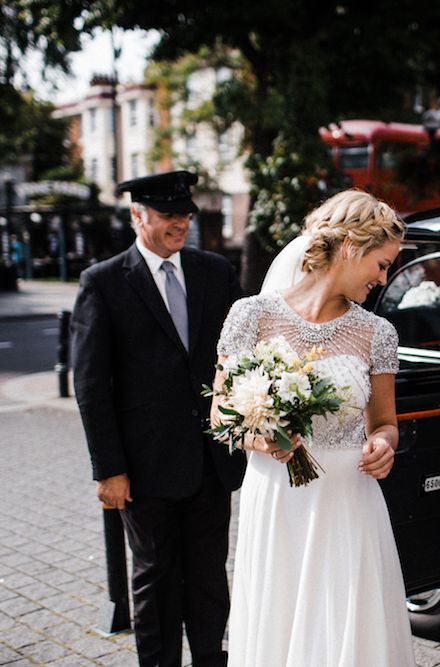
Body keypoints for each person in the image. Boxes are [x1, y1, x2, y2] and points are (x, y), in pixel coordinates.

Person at [214, 189, 416, 666]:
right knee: (279, 622)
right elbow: (221, 414)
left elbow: (385, 424)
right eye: (382, 264)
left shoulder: (377, 333)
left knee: (346, 626)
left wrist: (384, 444)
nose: (383, 279)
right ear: (350, 247)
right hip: (277, 498)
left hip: (348, 502)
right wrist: (259, 436)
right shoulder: (251, 316)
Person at [71, 170, 245, 667]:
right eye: (169, 215)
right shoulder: (102, 283)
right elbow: (90, 385)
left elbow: (240, 357)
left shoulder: (216, 272)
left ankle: (211, 658)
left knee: (210, 577)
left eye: (185, 215)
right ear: (137, 216)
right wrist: (108, 469)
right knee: (155, 579)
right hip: (143, 470)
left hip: (211, 462)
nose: (181, 224)